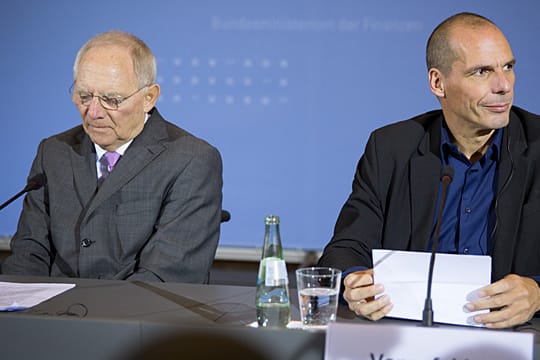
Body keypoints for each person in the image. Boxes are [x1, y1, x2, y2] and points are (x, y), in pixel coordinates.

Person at [317, 12, 540, 329]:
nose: (504, 85)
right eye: (482, 72)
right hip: (408, 336)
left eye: (508, 67)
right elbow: (345, 248)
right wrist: (354, 280)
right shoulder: (392, 148)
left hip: (514, 337)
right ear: (438, 82)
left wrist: (537, 291)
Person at [1, 31, 223, 283]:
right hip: (49, 314)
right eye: (84, 96)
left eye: (111, 100)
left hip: (136, 316)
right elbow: (29, 252)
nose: (93, 112)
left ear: (148, 97)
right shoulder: (54, 152)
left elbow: (166, 273)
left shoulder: (190, 160)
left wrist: (96, 318)